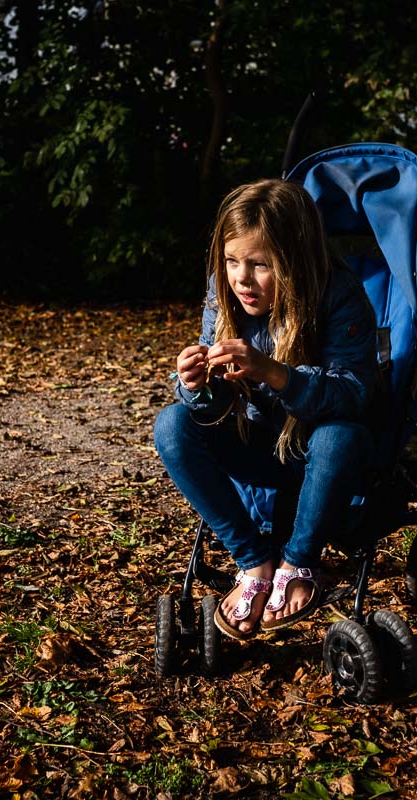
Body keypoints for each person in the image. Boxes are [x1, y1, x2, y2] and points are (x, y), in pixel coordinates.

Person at [153, 178, 378, 639]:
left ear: (294, 263)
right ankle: (254, 561)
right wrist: (195, 385)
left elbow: (355, 392)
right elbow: (211, 406)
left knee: (341, 434)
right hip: (255, 447)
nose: (241, 278)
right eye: (233, 261)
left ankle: (298, 562)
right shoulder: (225, 293)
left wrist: (276, 373)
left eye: (260, 265)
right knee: (173, 424)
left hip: (320, 457)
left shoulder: (338, 295)